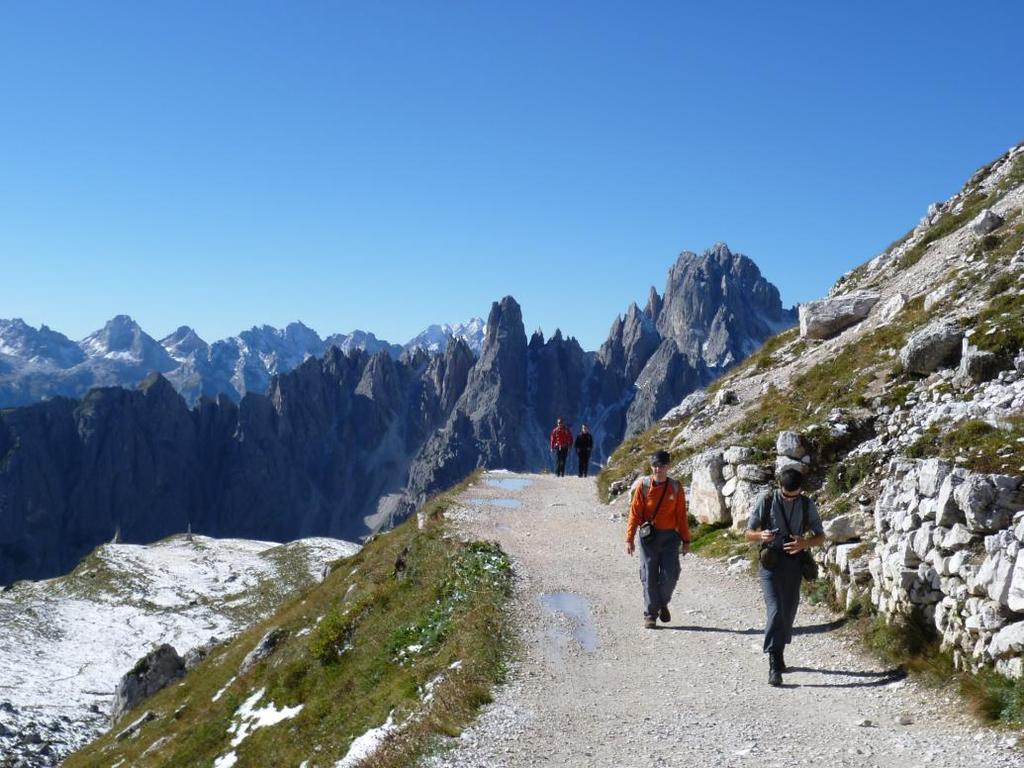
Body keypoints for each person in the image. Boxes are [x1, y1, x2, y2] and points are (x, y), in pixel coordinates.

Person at [744, 467, 825, 686]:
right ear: (779, 487)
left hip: (794, 565)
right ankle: (773, 662)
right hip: (770, 564)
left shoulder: (807, 504)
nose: (791, 499)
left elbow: (820, 536)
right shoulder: (767, 499)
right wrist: (760, 535)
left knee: (788, 612)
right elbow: (748, 533)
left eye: (795, 495)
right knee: (776, 609)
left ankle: (778, 651)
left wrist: (804, 543)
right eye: (787, 496)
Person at [625, 450, 690, 628]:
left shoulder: (676, 487)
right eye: (655, 466)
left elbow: (681, 516)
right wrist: (629, 538)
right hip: (649, 537)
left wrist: (686, 540)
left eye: (661, 466)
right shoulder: (644, 487)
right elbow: (634, 513)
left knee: (671, 574)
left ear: (668, 467)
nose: (658, 469)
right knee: (649, 575)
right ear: (651, 466)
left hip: (671, 537)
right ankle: (650, 615)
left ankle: (661, 603)